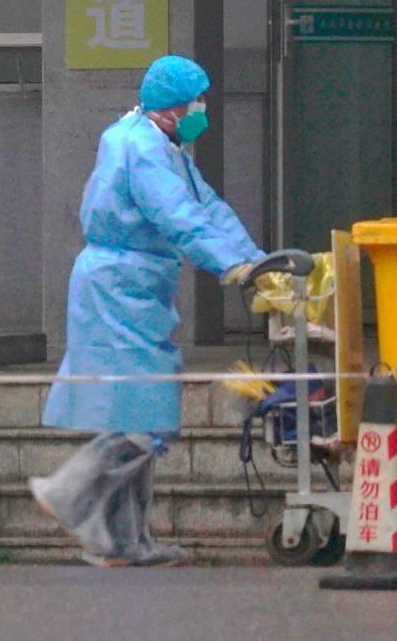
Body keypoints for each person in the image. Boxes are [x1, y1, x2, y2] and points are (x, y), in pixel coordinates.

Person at [30, 55, 267, 567]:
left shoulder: (160, 142)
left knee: (139, 411)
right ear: (178, 104)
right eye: (197, 99)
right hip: (120, 286)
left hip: (134, 283)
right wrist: (232, 265)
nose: (203, 108)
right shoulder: (141, 147)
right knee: (141, 412)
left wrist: (253, 260)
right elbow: (180, 217)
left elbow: (207, 207)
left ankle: (122, 542)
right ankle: (67, 491)